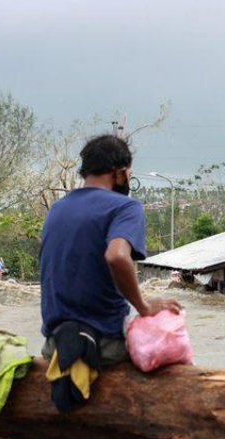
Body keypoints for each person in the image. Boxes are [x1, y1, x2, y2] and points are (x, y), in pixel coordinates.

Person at [39, 134, 182, 366]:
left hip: (55, 345)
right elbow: (116, 256)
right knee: (169, 349)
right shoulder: (125, 207)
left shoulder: (57, 209)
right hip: (103, 344)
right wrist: (144, 307)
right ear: (120, 172)